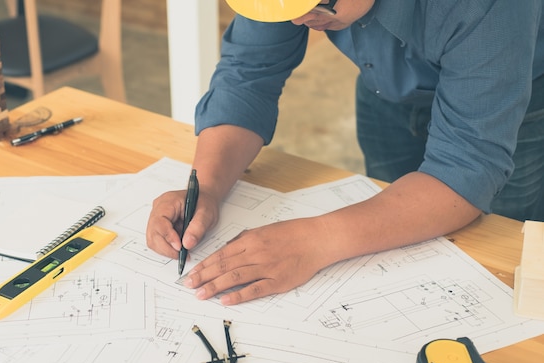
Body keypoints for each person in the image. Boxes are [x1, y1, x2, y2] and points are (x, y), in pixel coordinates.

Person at [146, 0, 544, 306]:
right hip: (387, 87)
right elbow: (248, 77)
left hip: (510, 106)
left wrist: (314, 240)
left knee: (501, 268)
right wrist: (208, 187)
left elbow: (467, 167)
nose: (300, 21)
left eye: (314, 7)